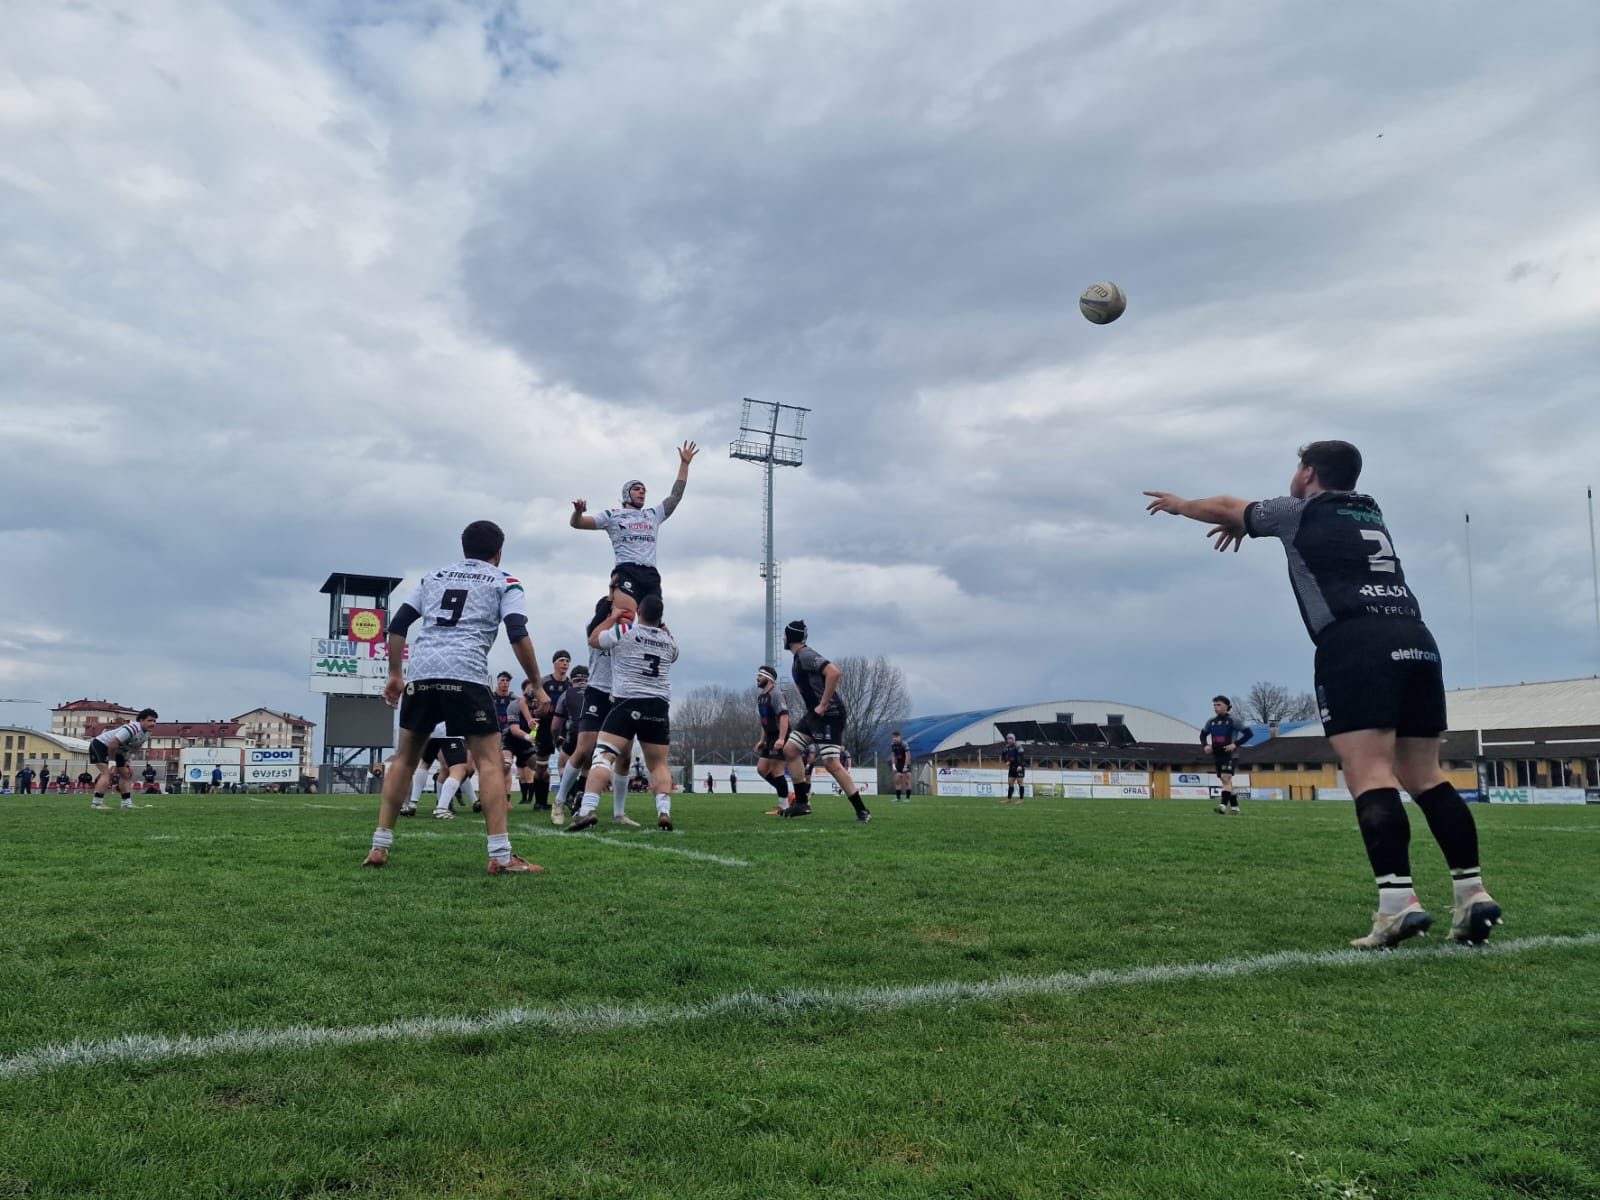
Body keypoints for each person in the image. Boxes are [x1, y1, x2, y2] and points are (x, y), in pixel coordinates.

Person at [1145, 439, 1502, 948]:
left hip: (1356, 644)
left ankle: (1397, 906)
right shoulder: (1370, 511)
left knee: (1370, 772)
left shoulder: (1298, 510)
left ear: (1308, 472)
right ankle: (1472, 895)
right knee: (1426, 775)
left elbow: (1227, 506)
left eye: (1297, 467)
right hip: (1416, 638)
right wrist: (1246, 524)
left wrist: (1181, 505)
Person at [363, 520, 549, 874]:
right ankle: (501, 855)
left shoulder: (432, 577)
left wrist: (395, 674)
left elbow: (398, 625)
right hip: (466, 674)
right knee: (490, 763)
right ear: (499, 552)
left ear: (464, 548)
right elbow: (517, 632)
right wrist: (537, 684)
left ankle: (379, 846)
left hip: (423, 674)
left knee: (404, 759)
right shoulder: (506, 581)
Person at [569, 594, 679, 832]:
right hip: (658, 705)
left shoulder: (626, 631)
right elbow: (674, 652)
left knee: (603, 756)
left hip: (627, 702)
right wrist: (661, 625)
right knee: (658, 765)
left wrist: (613, 618)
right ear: (660, 617)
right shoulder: (669, 641)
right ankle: (664, 812)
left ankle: (587, 809)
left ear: (638, 612)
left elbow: (594, 639)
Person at [569, 442, 699, 610]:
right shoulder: (612, 515)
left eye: (644, 490)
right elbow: (577, 523)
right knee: (625, 616)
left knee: (654, 620)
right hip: (627, 570)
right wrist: (578, 512)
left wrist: (684, 464)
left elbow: (675, 496)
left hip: (650, 574)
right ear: (626, 494)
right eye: (636, 489)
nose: (641, 492)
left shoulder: (653, 514)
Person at [554, 594, 639, 825]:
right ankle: (559, 801)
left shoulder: (626, 631)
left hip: (621, 696)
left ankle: (619, 814)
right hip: (597, 692)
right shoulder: (595, 628)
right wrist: (612, 614)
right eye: (617, 609)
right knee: (584, 750)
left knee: (624, 756)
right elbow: (595, 635)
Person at [779, 620, 871, 823]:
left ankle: (862, 811)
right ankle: (801, 803)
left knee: (831, 763)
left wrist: (823, 704)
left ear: (791, 637)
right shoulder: (798, 657)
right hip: (814, 715)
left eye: (785, 635)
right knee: (790, 750)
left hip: (829, 714)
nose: (783, 638)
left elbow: (834, 672)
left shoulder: (805, 655)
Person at [530, 651, 573, 820]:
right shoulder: (544, 682)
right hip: (545, 728)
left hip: (564, 729)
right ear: (555, 663)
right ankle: (540, 802)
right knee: (541, 767)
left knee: (568, 764)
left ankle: (568, 799)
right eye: (562, 660)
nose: (565, 663)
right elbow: (524, 700)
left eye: (567, 661)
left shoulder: (571, 685)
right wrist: (531, 716)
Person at [89, 709, 158, 810]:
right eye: (150, 720)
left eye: (154, 721)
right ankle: (96, 803)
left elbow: (136, 747)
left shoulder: (147, 733)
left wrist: (128, 760)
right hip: (101, 745)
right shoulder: (132, 728)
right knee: (108, 772)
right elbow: (113, 742)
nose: (153, 723)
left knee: (127, 773)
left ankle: (126, 803)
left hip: (117, 750)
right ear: (141, 720)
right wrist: (112, 761)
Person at [1200, 696, 1254, 814]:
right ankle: (1235, 807)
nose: (1216, 707)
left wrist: (1235, 744)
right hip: (1217, 755)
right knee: (1226, 782)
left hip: (1231, 755)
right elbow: (1203, 734)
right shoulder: (1211, 721)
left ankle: (1222, 806)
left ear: (1226, 706)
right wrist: (1205, 745)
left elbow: (1249, 734)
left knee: (1225, 778)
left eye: (1218, 705)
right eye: (1214, 705)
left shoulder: (1234, 720)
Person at [753, 665, 793, 814]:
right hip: (769, 737)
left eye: (760, 676)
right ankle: (788, 795)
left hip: (779, 735)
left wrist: (782, 738)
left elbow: (784, 716)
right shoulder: (761, 697)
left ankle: (784, 807)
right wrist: (762, 740)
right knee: (762, 769)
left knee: (777, 769)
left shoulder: (776, 694)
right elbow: (765, 721)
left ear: (769, 679)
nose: (757, 678)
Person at [1000, 734, 1029, 804]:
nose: (1009, 740)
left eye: (1011, 739)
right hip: (1012, 767)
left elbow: (1021, 756)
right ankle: (1009, 799)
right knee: (1010, 782)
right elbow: (1003, 754)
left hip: (1019, 766)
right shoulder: (1007, 747)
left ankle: (1021, 799)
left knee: (1020, 782)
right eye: (1008, 739)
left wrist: (1020, 765)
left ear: (1014, 739)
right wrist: (1006, 761)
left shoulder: (1018, 746)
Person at [889, 730, 912, 802]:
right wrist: (893, 766)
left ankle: (907, 798)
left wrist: (905, 766)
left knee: (907, 782)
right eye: (893, 737)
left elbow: (908, 756)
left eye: (896, 737)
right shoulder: (893, 745)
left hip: (905, 763)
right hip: (898, 764)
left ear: (899, 737)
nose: (894, 739)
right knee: (897, 781)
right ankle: (898, 798)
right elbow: (893, 756)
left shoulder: (904, 744)